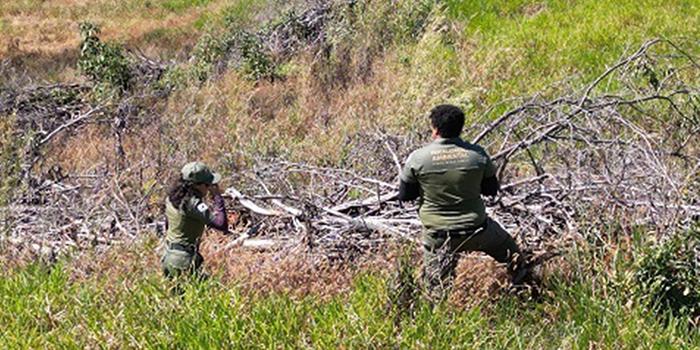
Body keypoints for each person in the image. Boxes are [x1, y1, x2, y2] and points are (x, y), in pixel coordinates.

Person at [398, 104, 529, 300]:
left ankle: (439, 321)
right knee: (516, 259)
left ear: (435, 129)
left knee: (436, 293)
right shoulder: (478, 154)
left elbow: (405, 196)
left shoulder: (418, 158)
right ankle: (525, 294)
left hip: (439, 237)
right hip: (478, 230)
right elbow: (490, 191)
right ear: (461, 127)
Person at [161, 161, 229, 279]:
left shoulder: (171, 199)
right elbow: (221, 224)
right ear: (197, 185)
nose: (208, 189)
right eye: (207, 185)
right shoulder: (192, 204)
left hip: (168, 256)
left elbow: (168, 225)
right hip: (183, 260)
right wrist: (218, 197)